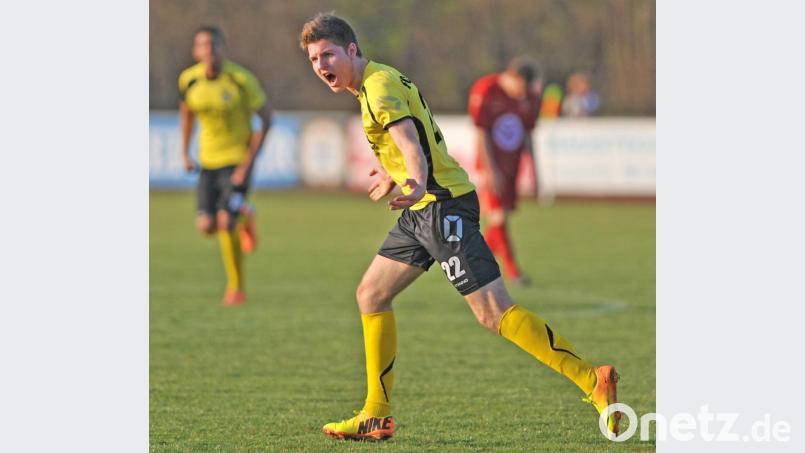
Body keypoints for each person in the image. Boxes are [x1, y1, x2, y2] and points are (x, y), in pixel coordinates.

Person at [298, 13, 620, 441]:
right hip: (424, 209)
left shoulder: (376, 89)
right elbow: (419, 141)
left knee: (493, 312)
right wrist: (397, 177)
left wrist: (411, 180)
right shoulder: (379, 79)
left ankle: (590, 378)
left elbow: (411, 141)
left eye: (328, 55)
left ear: (351, 50)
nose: (321, 66)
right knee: (371, 294)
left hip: (440, 207)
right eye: (314, 59)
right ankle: (376, 413)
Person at [178, 25, 272, 306]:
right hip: (209, 160)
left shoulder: (241, 79)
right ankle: (245, 216)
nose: (209, 51)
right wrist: (184, 152)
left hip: (238, 160)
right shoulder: (189, 80)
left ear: (223, 48)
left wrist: (249, 161)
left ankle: (236, 288)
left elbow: (266, 118)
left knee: (223, 222)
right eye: (203, 46)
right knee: (206, 225)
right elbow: (187, 115)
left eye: (214, 45)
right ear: (195, 51)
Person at [469, 57, 541, 285]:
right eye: (520, 87)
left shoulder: (529, 97)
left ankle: (472, 262)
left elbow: (528, 135)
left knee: (500, 219)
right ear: (512, 77)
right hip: (491, 167)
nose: (522, 94)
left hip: (513, 166)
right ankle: (513, 272)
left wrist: (536, 172)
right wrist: (491, 170)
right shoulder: (486, 89)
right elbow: (481, 133)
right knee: (498, 217)